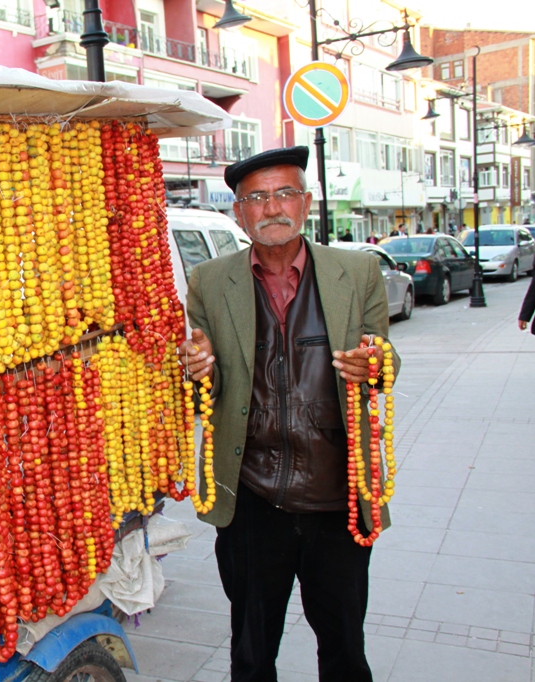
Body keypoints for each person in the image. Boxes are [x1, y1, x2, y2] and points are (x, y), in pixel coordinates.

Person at [179, 146, 401, 682]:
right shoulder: (210, 281)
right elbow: (199, 392)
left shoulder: (357, 270)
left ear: (305, 203)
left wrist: (375, 363)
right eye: (257, 197)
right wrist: (196, 371)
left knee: (345, 647)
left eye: (284, 194)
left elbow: (384, 359)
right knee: (252, 653)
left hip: (338, 496)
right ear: (238, 212)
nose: (271, 207)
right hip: (252, 498)